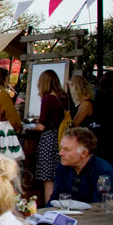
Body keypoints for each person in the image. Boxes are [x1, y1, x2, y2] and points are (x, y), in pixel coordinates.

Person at [51, 127, 113, 204]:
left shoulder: (103, 172)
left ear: (84, 153)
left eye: (67, 149)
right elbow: (54, 200)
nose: (60, 153)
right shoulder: (63, 167)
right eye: (61, 148)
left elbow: (100, 206)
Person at [32, 70, 68, 204]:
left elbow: (42, 125)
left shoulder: (48, 99)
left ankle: (49, 206)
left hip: (48, 140)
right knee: (58, 176)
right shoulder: (64, 97)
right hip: (61, 138)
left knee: (48, 180)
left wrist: (34, 126)